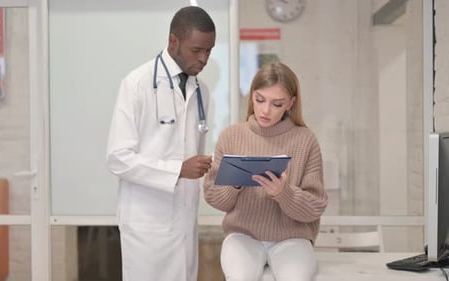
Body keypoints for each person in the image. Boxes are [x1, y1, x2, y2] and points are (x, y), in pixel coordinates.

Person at [106, 6, 216, 281]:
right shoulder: (137, 84)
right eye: (196, 50)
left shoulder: (201, 91)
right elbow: (118, 158)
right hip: (147, 223)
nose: (204, 59)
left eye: (209, 50)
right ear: (173, 42)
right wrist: (178, 170)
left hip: (185, 217)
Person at [203, 62, 328, 281]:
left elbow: (314, 207)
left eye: (276, 104)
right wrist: (234, 183)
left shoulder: (305, 140)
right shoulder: (230, 136)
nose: (265, 110)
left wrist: (283, 193)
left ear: (290, 104)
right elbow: (215, 198)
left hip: (293, 238)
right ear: (251, 96)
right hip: (242, 236)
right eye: (260, 100)